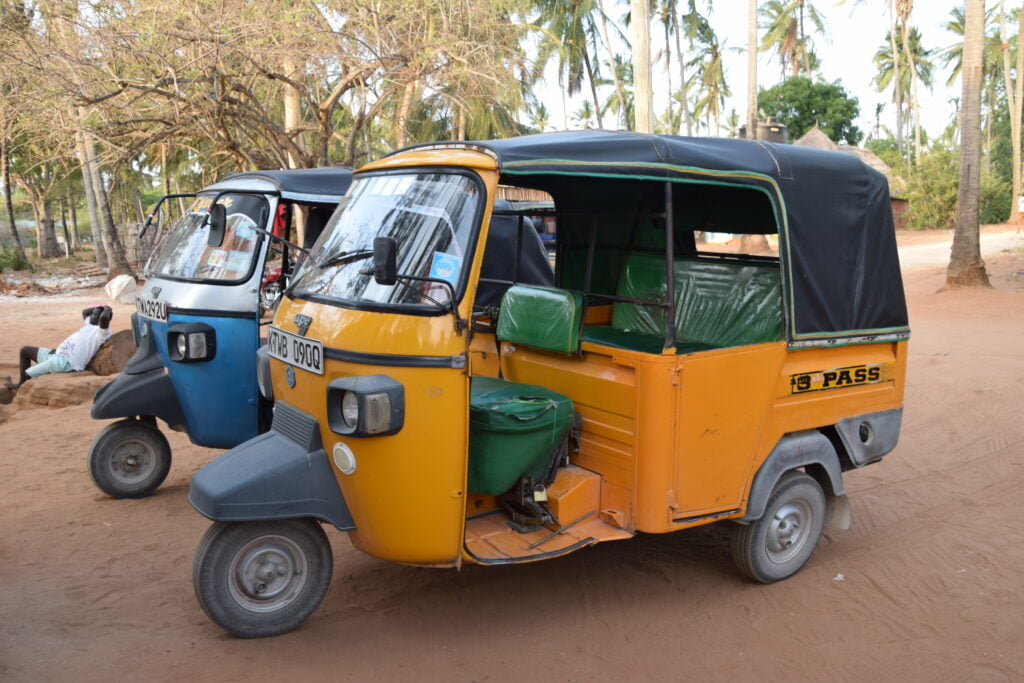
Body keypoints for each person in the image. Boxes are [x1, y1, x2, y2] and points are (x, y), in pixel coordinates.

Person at [14, 305, 113, 388]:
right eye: (93, 314)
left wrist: (107, 309)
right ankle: (20, 383)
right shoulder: (89, 324)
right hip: (55, 355)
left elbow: (104, 319)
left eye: (95, 315)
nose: (92, 315)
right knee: (25, 350)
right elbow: (84, 312)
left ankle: (22, 387)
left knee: (28, 373)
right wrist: (99, 308)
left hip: (64, 363)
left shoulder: (102, 332)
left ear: (100, 319)